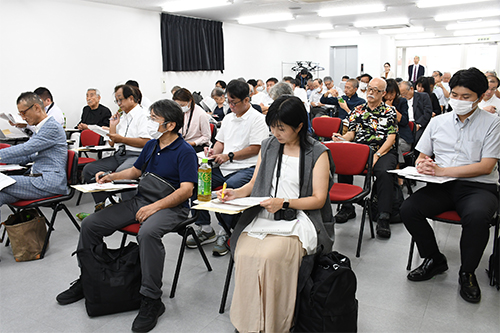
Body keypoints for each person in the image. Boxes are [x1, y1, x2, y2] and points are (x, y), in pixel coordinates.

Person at [56, 99, 198, 332]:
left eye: (154, 119)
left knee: (148, 233)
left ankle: (151, 299)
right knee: (91, 224)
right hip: (142, 200)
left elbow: (186, 191)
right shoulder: (152, 145)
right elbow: (135, 171)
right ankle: (88, 279)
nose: (150, 122)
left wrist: (155, 208)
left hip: (173, 207)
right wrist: (110, 176)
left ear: (170, 125)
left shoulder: (185, 152)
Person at [222, 95, 334, 333]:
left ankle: (276, 323)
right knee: (244, 252)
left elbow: (318, 199)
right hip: (266, 213)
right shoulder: (269, 145)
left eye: (281, 128)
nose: (275, 132)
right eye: (272, 126)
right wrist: (236, 193)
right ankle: (249, 322)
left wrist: (284, 203)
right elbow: (254, 183)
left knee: (271, 257)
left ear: (300, 126)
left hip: (299, 217)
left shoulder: (317, 152)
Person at [401, 67, 500, 304]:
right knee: (408, 209)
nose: (458, 100)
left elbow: (486, 166)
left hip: (478, 187)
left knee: (476, 218)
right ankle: (434, 258)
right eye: (454, 95)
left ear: (479, 95)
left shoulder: (492, 123)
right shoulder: (439, 122)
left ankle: (467, 272)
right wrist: (424, 165)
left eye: (465, 97)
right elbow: (422, 156)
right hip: (442, 186)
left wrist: (444, 170)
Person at [186, 79, 269, 256]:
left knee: (229, 188)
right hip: (225, 165)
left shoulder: (258, 120)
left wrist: (228, 156)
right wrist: (212, 152)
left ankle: (225, 232)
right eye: (228, 101)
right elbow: (220, 142)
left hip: (248, 167)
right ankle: (206, 228)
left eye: (234, 102)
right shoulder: (229, 118)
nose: (230, 105)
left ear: (247, 100)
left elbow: (256, 148)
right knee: (196, 180)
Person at [332, 78, 398, 238]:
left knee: (384, 171)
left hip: (382, 150)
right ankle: (348, 208)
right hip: (361, 149)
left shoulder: (389, 111)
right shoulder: (358, 110)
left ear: (383, 93)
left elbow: (391, 139)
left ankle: (383, 216)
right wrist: (342, 139)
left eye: (375, 90)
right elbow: (351, 133)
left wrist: (377, 155)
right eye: (369, 88)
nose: (371, 92)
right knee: (343, 163)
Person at [81, 84, 151, 211]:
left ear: (131, 98)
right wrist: (112, 125)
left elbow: (146, 142)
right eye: (116, 100)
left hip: (137, 155)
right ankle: (105, 203)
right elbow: (113, 143)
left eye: (120, 99)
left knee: (121, 172)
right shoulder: (122, 117)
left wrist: (122, 139)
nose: (118, 103)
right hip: (120, 154)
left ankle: (129, 208)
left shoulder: (144, 115)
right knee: (89, 169)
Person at [0, 92, 67, 221]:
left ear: (36, 107)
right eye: (21, 114)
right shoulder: (40, 128)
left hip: (48, 182)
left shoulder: (51, 127)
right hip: (37, 178)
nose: (23, 118)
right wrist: (3, 161)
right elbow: (27, 157)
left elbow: (26, 149)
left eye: (23, 113)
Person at [172, 88, 211, 153]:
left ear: (190, 101)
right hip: (182, 143)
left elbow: (206, 136)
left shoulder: (201, 114)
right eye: (178, 105)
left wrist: (193, 143)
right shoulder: (177, 112)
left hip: (196, 145)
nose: (180, 108)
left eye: (182, 105)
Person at [383, 79, 412, 164]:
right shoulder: (379, 103)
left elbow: (404, 121)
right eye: (386, 94)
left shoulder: (402, 102)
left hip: (402, 138)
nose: (389, 97)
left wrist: (391, 108)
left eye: (392, 94)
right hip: (384, 136)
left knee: (392, 144)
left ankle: (398, 165)